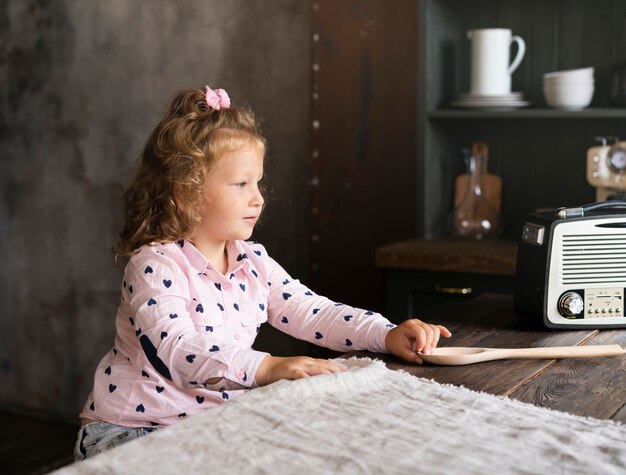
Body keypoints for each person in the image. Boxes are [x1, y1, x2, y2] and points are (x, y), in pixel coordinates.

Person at [74, 85, 451, 460]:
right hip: (131, 432)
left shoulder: (253, 262)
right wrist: (266, 367)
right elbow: (178, 350)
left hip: (210, 426)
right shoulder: (155, 265)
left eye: (257, 182)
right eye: (240, 184)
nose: (258, 197)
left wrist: (385, 334)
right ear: (186, 193)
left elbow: (313, 312)